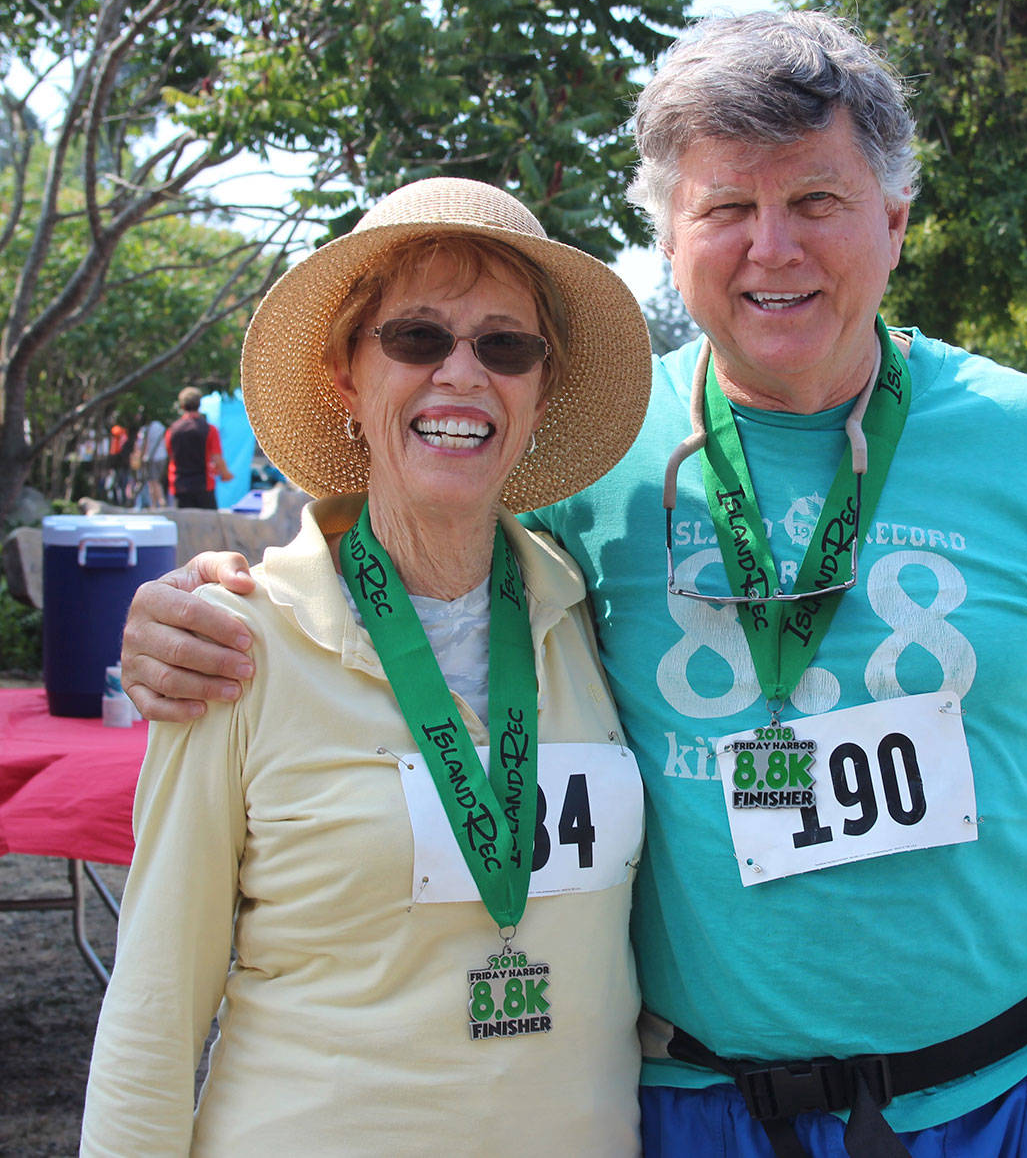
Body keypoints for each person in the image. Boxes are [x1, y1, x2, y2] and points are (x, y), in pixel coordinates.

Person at [119, 11, 1027, 1158]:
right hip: (691, 1111)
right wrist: (186, 609)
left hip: (999, 1097)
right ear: (670, 241)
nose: (769, 246)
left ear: (892, 220)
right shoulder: (595, 463)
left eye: (816, 201)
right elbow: (414, 526)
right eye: (725, 206)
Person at [82, 178, 654, 1155]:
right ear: (346, 373)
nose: (461, 374)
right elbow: (153, 1005)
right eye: (416, 338)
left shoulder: (585, 614)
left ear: (539, 387)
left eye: (504, 345)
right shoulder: (237, 640)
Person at [166, 385, 234, 508]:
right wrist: (225, 474)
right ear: (199, 404)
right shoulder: (209, 429)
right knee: (209, 525)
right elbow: (217, 457)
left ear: (182, 406)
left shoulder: (172, 430)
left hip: (180, 485)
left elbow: (171, 455)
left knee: (183, 525)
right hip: (204, 485)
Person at [135, 411, 171, 507]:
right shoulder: (160, 426)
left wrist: (140, 458)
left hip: (151, 458)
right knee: (156, 481)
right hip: (163, 456)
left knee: (153, 482)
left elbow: (142, 445)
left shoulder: (145, 429)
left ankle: (159, 502)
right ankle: (156, 504)